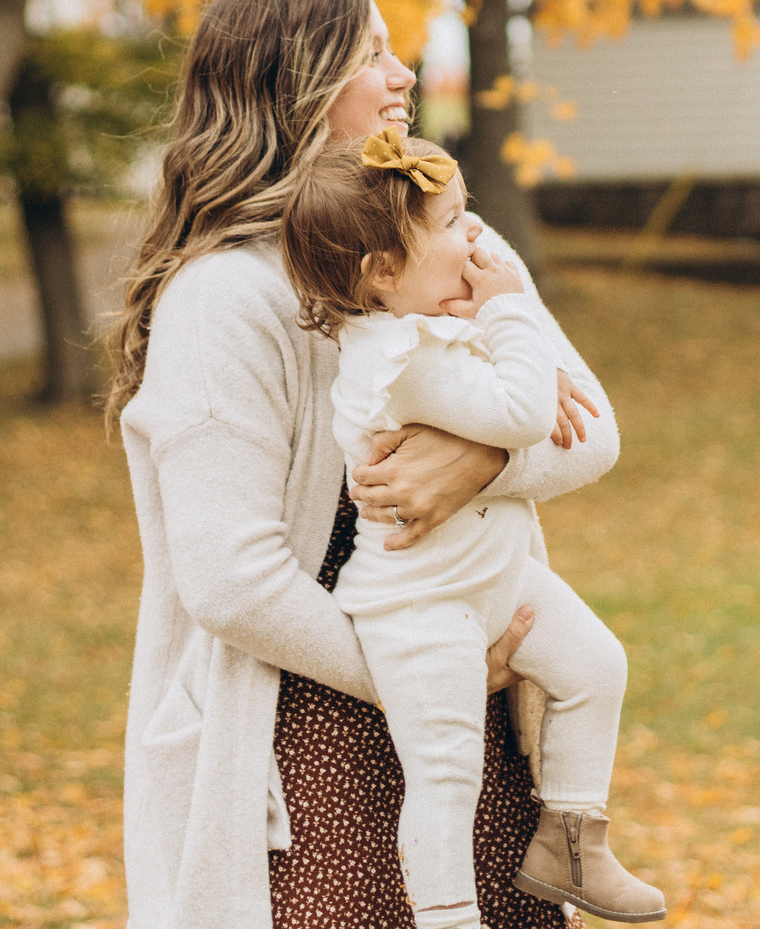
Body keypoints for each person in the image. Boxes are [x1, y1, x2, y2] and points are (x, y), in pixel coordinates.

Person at [111, 0, 620, 929]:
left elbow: (593, 423)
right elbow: (230, 578)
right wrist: (419, 673)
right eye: (372, 54)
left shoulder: (448, 236)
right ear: (293, 85)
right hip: (306, 748)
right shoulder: (225, 298)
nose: (405, 71)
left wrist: (486, 459)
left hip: (471, 728)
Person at [280, 130, 663, 925]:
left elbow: (552, 417)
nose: (476, 236)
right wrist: (512, 315)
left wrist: (513, 349)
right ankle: (450, 917)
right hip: (422, 605)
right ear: (382, 273)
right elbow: (525, 412)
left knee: (597, 665)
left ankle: (571, 838)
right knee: (447, 774)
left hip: (489, 579)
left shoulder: (432, 327)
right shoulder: (400, 356)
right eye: (453, 222)